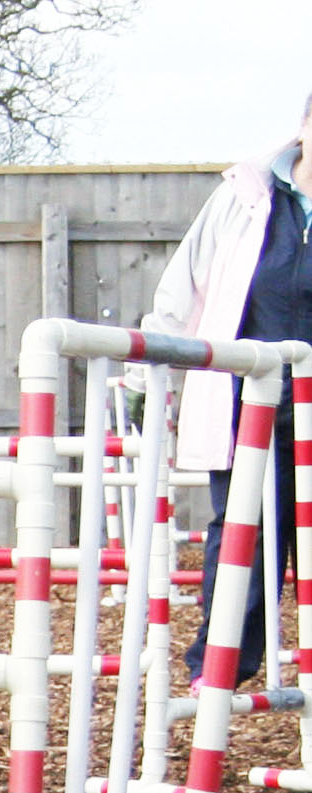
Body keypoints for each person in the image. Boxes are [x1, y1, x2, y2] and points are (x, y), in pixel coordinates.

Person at [142, 91, 312, 694]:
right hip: (250, 403)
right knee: (242, 534)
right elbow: (185, 284)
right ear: (303, 126)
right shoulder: (245, 196)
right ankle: (216, 669)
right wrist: (151, 373)